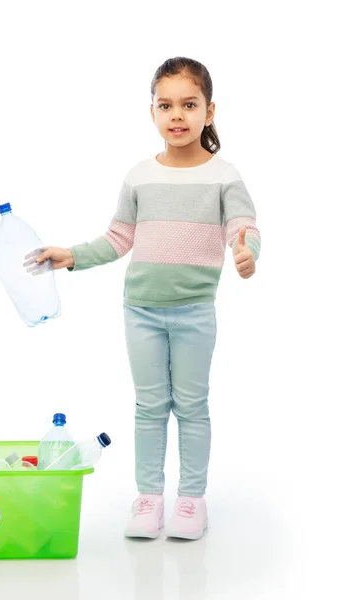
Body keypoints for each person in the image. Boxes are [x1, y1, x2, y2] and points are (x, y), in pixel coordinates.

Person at [24, 56, 261, 540]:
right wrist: (72, 255)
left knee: (192, 405)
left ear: (209, 112)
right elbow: (117, 238)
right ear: (151, 112)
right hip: (141, 312)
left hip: (195, 312)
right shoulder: (138, 176)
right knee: (150, 406)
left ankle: (191, 500)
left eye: (189, 104)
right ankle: (149, 497)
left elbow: (244, 227)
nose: (177, 115)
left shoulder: (225, 175)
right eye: (166, 105)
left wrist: (246, 252)